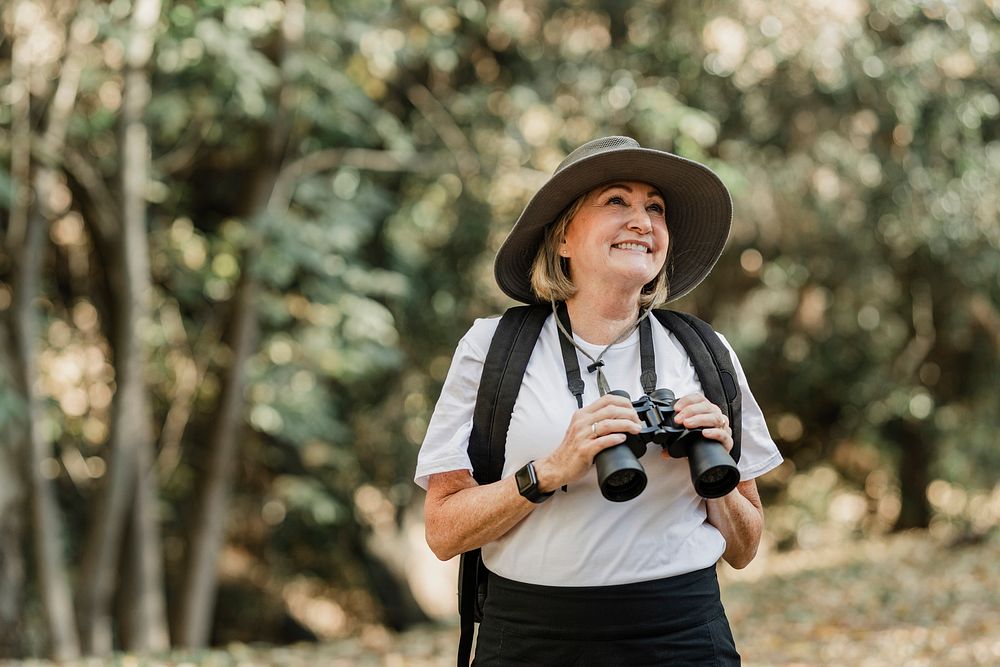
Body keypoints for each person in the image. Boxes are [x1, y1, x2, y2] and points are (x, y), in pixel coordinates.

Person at [415, 136, 783, 665]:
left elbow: (745, 549)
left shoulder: (704, 351)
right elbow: (443, 532)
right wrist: (549, 470)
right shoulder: (493, 349)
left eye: (655, 208)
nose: (643, 221)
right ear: (563, 236)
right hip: (530, 638)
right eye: (617, 201)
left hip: (681, 636)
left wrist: (717, 468)